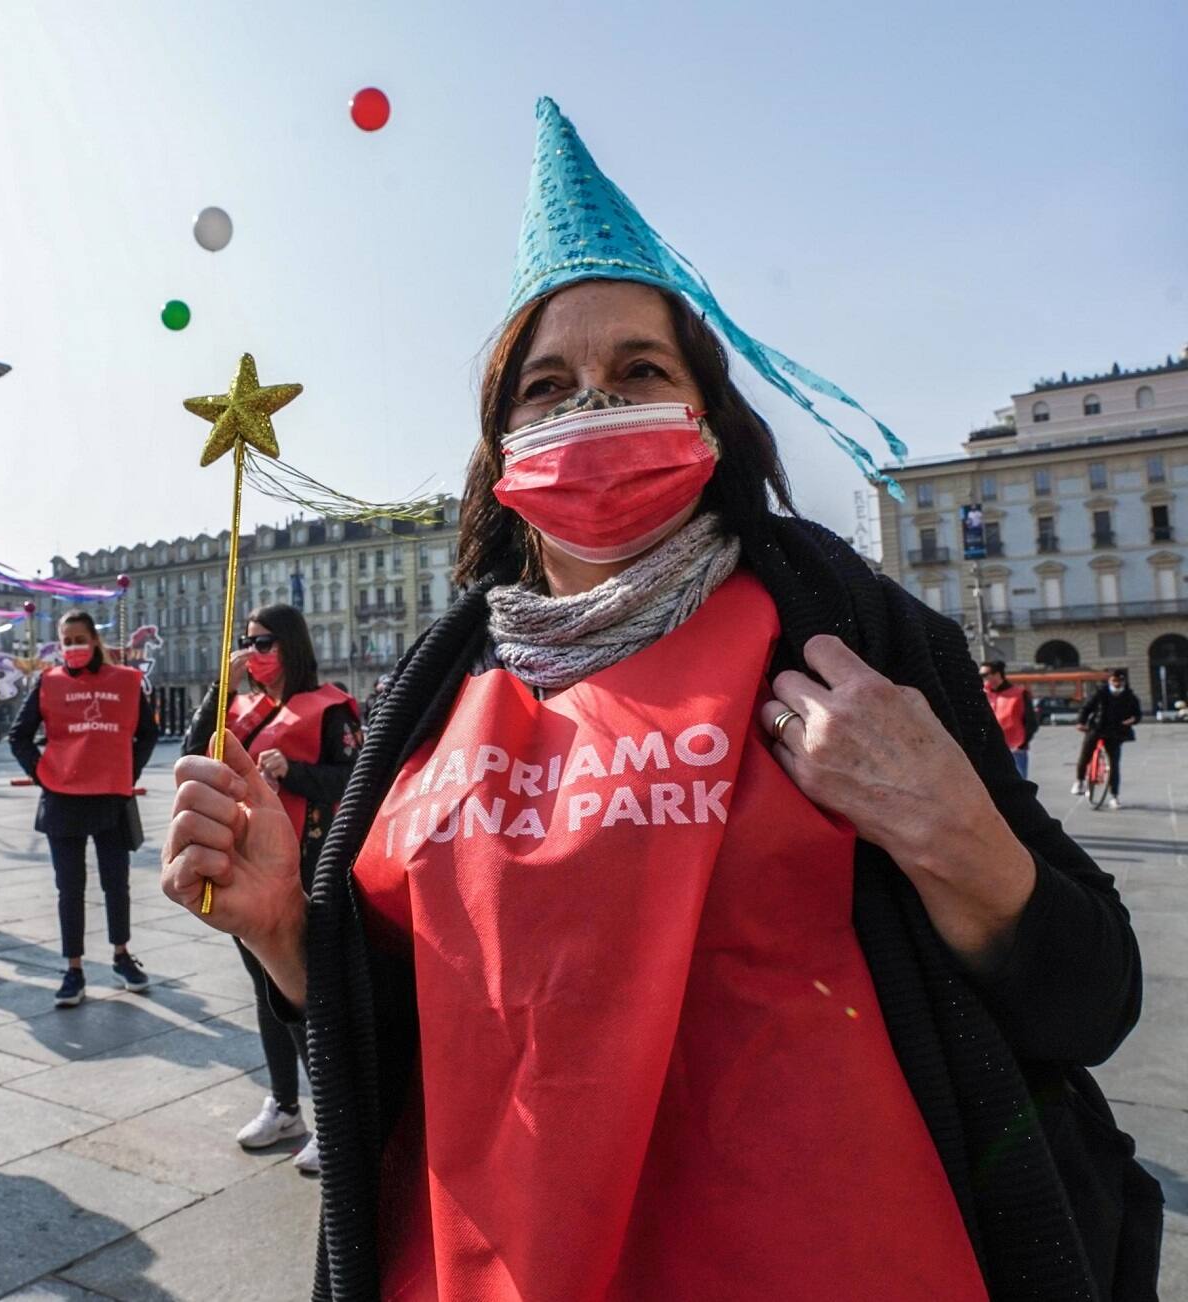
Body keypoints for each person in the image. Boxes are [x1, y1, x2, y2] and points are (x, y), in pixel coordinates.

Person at [163, 99, 1154, 1301]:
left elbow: (1091, 995)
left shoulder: (852, 636)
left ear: (705, 412)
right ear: (500, 445)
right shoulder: (434, 690)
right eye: (545, 385)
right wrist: (282, 930)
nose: (590, 404)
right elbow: (410, 1041)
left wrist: (959, 836)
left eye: (637, 369)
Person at [182, 604, 358, 1176]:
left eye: (264, 644)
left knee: (308, 991)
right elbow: (194, 751)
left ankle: (334, 1117)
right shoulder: (240, 706)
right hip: (246, 863)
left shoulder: (330, 706)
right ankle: (284, 1104)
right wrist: (220, 688)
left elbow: (355, 778)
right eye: (248, 643)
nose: (253, 653)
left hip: (312, 865)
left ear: (290, 645)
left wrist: (296, 773)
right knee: (264, 991)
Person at [12, 611, 160, 1006]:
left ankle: (121, 955)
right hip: (63, 797)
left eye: (80, 638)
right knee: (70, 887)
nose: (74, 647)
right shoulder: (48, 682)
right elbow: (19, 735)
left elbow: (148, 732)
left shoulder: (127, 682)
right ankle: (73, 968)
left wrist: (129, 769)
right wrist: (42, 773)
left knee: (116, 882)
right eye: (66, 641)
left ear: (95, 640)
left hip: (111, 794)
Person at [1074, 668, 1142, 809]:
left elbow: (1137, 714)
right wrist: (1081, 722)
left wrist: (1133, 719)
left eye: (1120, 681)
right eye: (1114, 680)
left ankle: (1114, 796)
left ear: (1124, 681)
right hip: (1096, 729)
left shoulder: (1130, 696)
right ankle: (1080, 781)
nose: (1117, 683)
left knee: (1114, 764)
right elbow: (1086, 708)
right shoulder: (1100, 693)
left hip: (1115, 732)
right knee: (1085, 755)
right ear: (1110, 681)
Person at [980, 660, 1038, 779]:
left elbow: (1031, 722)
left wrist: (1022, 744)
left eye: (985, 675)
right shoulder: (983, 694)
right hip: (990, 750)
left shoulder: (1019, 693)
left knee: (1018, 788)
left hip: (1015, 750)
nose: (982, 678)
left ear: (997, 674)